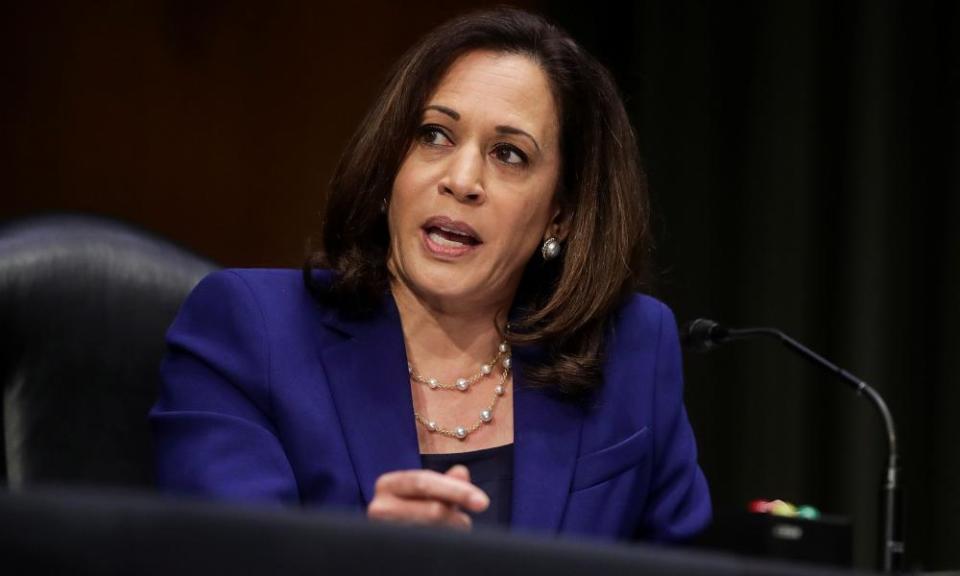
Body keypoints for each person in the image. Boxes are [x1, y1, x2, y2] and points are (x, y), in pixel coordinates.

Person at [150, 7, 710, 542]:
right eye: (434, 135)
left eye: (509, 154)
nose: (462, 178)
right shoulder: (250, 332)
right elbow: (227, 555)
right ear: (392, 160)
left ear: (560, 212)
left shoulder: (630, 352)